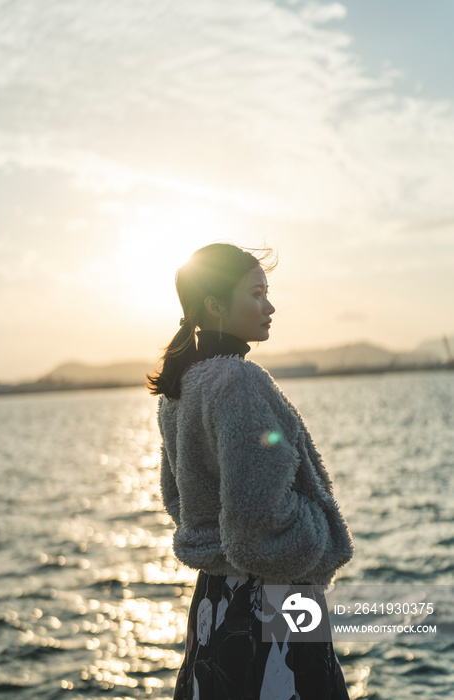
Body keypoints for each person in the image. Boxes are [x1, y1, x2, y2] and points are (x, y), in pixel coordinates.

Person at [147, 242, 354, 700]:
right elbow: (258, 521)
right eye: (256, 293)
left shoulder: (180, 387)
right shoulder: (237, 381)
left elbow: (177, 499)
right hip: (273, 597)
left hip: (215, 603)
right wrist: (319, 535)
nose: (270, 306)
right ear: (215, 304)